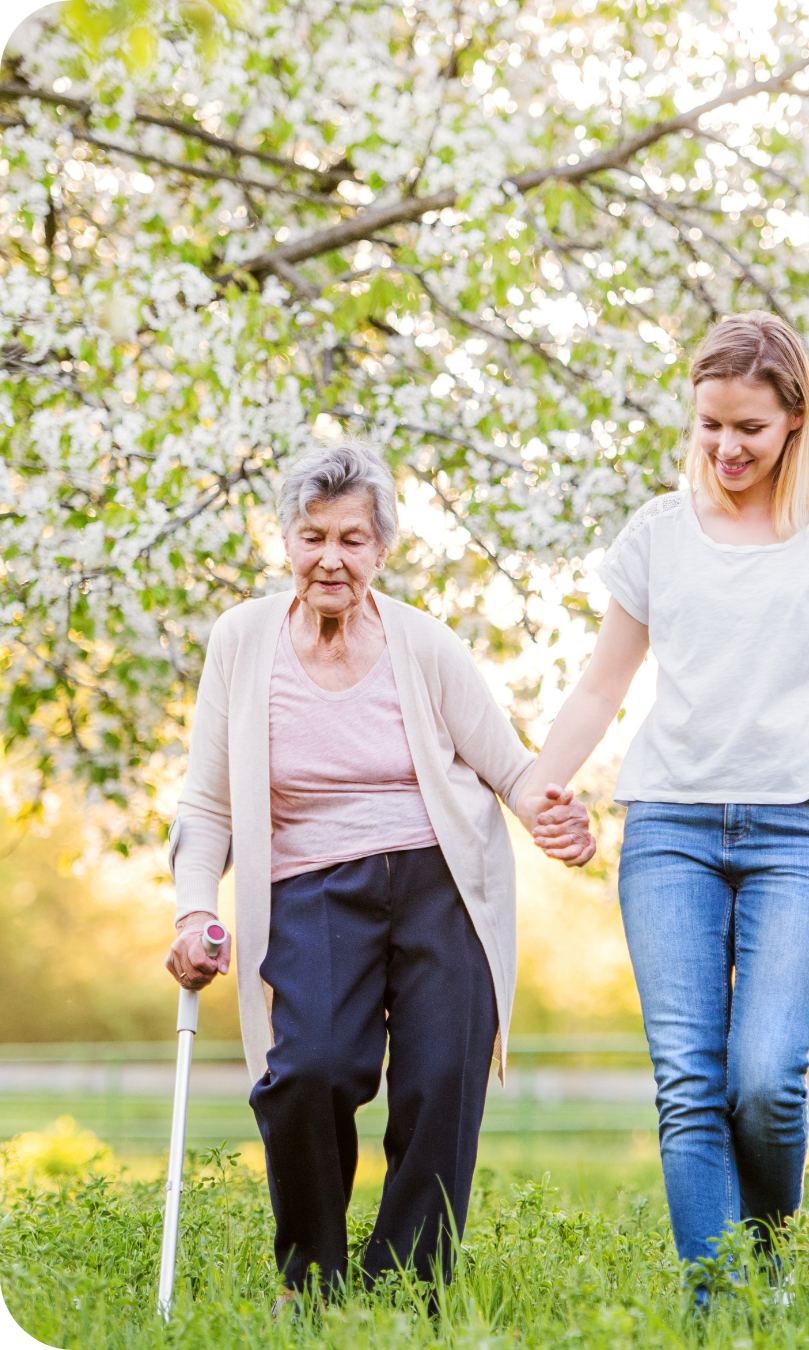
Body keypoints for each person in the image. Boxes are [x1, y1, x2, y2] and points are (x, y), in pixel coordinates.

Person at [525, 311, 809, 1287]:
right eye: (710, 425)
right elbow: (600, 686)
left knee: (764, 1078)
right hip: (669, 826)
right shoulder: (657, 535)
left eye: (748, 427)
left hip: (808, 826)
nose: (727, 447)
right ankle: (716, 1306)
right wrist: (539, 783)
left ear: (794, 419)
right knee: (689, 1084)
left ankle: (768, 1264)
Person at [164, 442, 594, 1305]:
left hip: (442, 880)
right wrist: (190, 911)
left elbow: (508, 769)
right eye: (313, 535)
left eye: (353, 540)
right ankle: (311, 1279)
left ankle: (408, 1286)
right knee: (311, 1071)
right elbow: (207, 805)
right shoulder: (244, 643)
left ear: (382, 550)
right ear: (285, 539)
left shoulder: (424, 645)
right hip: (313, 887)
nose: (331, 558)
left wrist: (551, 815)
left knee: (441, 1082)